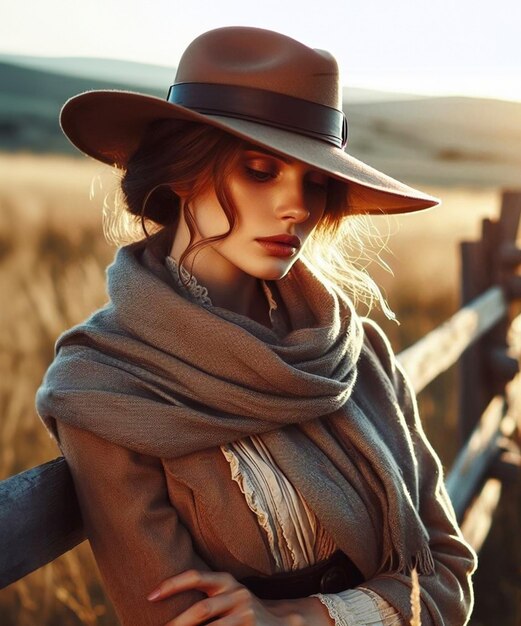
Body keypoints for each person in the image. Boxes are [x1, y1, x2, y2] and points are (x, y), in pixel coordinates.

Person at [36, 26, 477, 626]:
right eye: (261, 170)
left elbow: (449, 579)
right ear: (180, 170)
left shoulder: (357, 350)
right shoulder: (104, 386)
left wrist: (303, 617)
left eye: (317, 181)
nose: (298, 207)